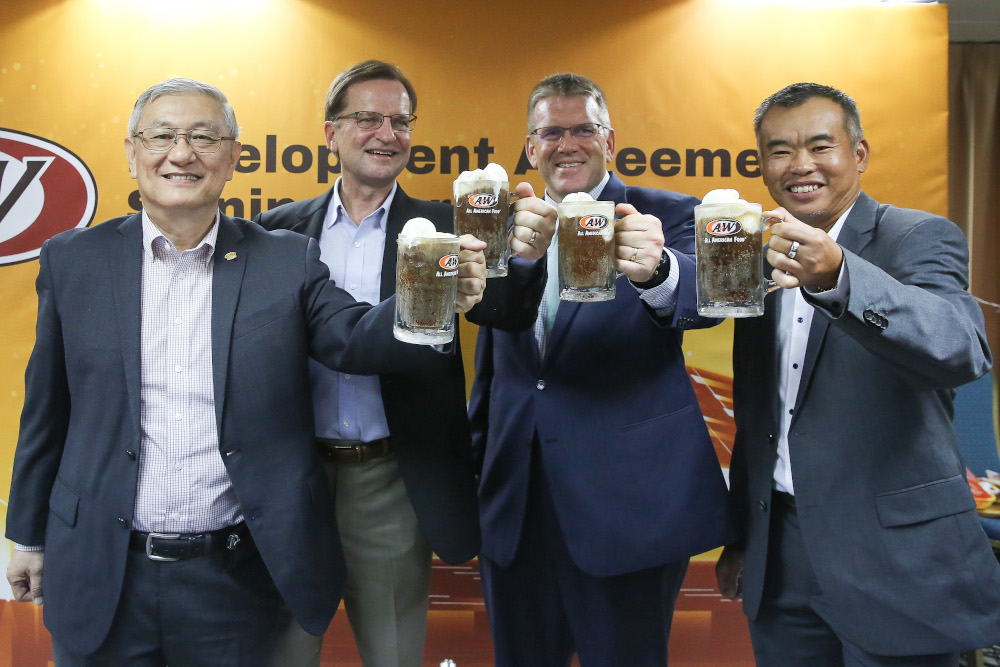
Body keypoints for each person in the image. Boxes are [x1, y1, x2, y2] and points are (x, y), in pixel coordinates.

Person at [3, 77, 488, 666]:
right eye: (162, 135)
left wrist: (430, 298)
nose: (182, 153)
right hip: (102, 568)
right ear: (131, 152)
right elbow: (46, 409)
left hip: (231, 577)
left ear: (233, 158)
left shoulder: (283, 258)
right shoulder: (72, 259)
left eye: (204, 137)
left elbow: (354, 339)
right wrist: (26, 533)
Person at [255, 60, 552, 666]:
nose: (386, 133)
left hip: (391, 475)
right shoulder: (277, 232)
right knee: (281, 648)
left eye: (400, 120)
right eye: (367, 118)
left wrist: (523, 259)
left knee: (392, 652)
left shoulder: (449, 226)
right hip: (294, 475)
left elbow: (505, 311)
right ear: (331, 132)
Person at [716, 82, 1000, 665]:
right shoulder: (759, 252)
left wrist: (839, 275)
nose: (801, 166)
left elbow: (959, 348)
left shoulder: (917, 236)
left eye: (820, 146)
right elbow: (763, 414)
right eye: (779, 150)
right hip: (783, 556)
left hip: (896, 562)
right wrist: (746, 538)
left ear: (859, 154)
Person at [466, 72, 736, 666]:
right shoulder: (498, 226)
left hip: (627, 509)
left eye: (583, 130)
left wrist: (657, 271)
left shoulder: (669, 215)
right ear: (531, 148)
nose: (568, 145)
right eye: (551, 133)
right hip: (514, 502)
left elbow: (706, 299)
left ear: (610, 141)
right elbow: (493, 366)